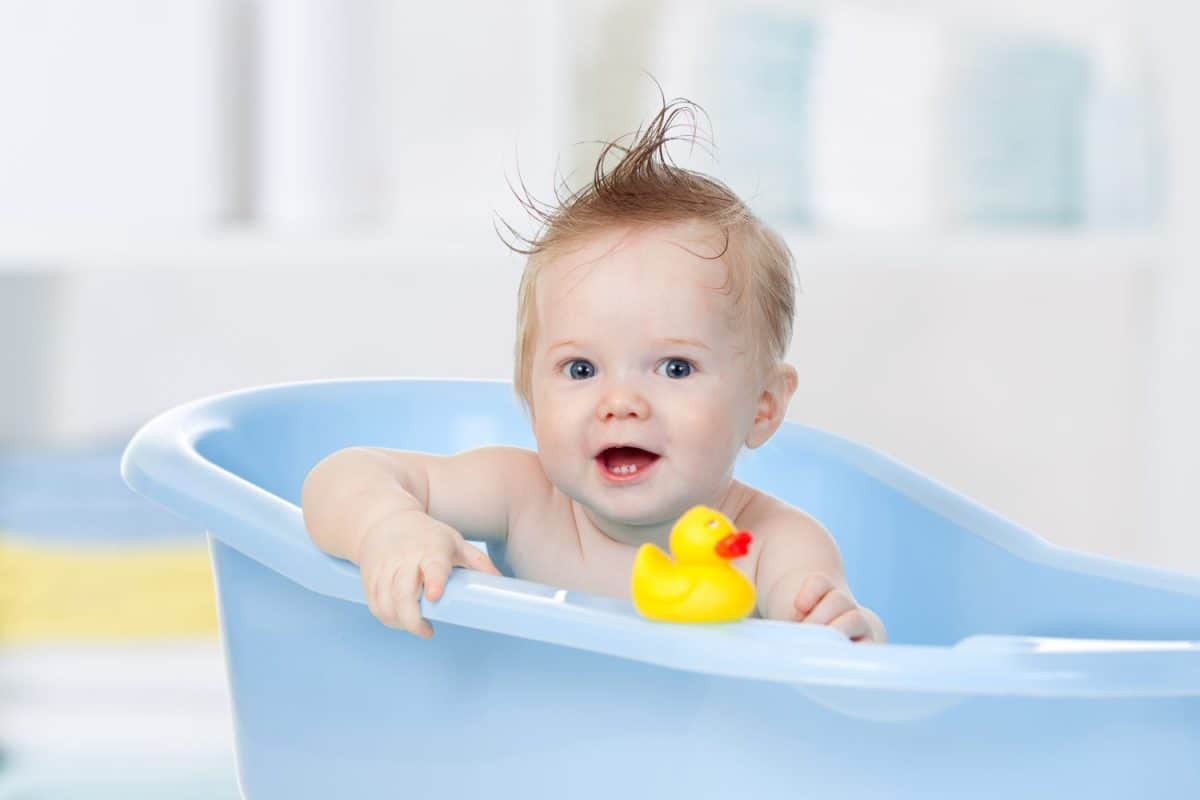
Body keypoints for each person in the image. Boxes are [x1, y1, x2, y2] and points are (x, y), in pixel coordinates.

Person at [302, 98, 886, 643]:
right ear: (530, 396)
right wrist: (388, 527)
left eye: (675, 367)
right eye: (581, 368)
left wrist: (844, 634)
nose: (621, 401)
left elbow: (830, 650)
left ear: (763, 406)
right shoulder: (522, 499)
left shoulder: (769, 545)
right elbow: (341, 475)